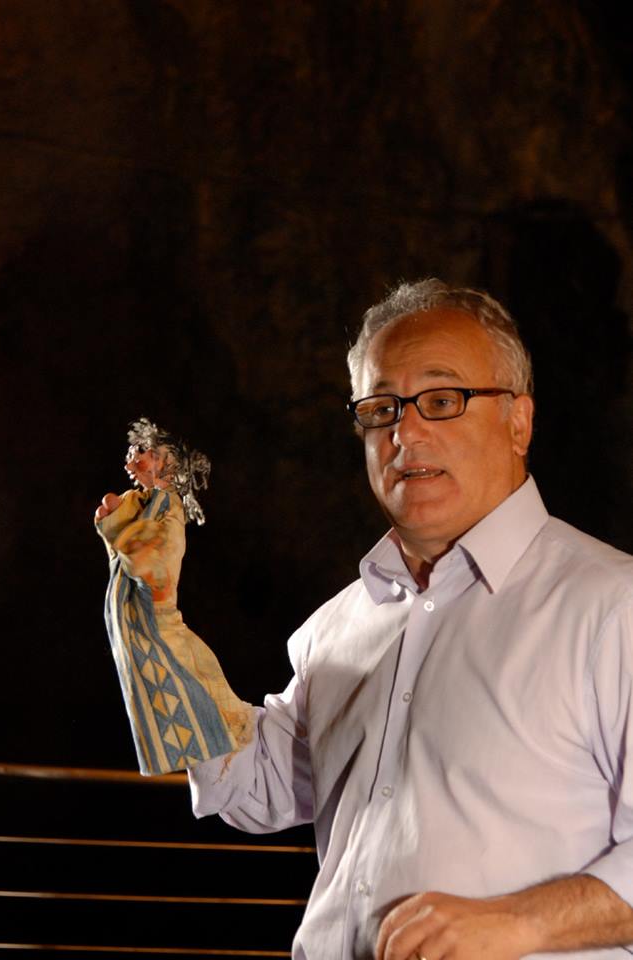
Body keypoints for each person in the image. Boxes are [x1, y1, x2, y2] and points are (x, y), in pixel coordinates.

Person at [97, 281, 633, 960]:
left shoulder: (612, 608)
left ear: (519, 421)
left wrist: (518, 923)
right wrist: (153, 614)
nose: (406, 432)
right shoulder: (339, 626)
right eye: (382, 410)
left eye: (442, 400)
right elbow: (251, 789)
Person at [95, 417, 253, 775]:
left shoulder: (165, 506)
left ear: (161, 458)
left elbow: (151, 561)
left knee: (180, 675)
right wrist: (117, 526)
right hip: (139, 613)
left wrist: (120, 530)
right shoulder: (147, 502)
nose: (130, 462)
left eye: (140, 452)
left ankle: (225, 738)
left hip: (153, 615)